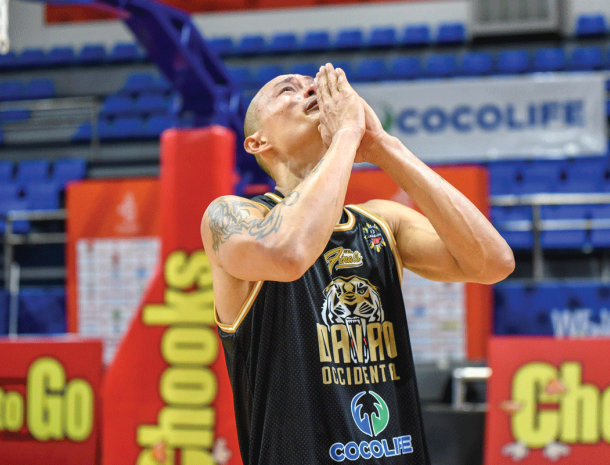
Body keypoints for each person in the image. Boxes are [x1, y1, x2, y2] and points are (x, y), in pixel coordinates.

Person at [201, 63, 514, 464]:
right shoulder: (232, 216)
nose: (311, 89)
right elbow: (289, 253)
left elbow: (494, 262)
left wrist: (383, 145)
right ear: (258, 142)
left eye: (314, 85)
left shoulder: (382, 222)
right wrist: (346, 137)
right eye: (288, 90)